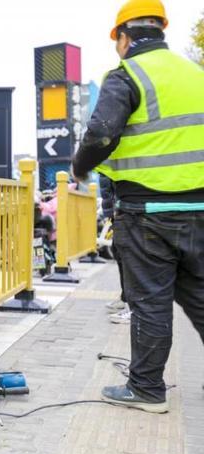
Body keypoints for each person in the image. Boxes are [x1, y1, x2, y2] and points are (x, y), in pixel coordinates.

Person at [72, 0, 204, 413]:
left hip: (147, 212)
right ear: (161, 32)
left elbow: (101, 132)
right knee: (200, 298)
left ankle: (147, 389)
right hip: (199, 210)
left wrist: (79, 169)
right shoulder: (195, 75)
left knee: (150, 302)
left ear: (124, 39)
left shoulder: (127, 75)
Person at [100, 174, 130, 323]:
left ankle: (133, 307)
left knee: (129, 258)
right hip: (120, 208)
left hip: (128, 207)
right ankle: (127, 300)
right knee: (120, 254)